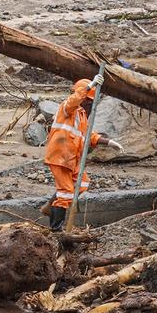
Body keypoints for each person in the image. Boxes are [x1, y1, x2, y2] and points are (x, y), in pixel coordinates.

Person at [43, 78, 121, 230]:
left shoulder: (82, 117)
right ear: (83, 98)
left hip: (71, 160)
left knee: (82, 183)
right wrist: (89, 86)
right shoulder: (66, 109)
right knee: (66, 193)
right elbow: (74, 100)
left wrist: (109, 142)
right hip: (60, 157)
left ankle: (51, 205)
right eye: (89, 101)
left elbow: (90, 136)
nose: (91, 105)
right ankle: (56, 229)